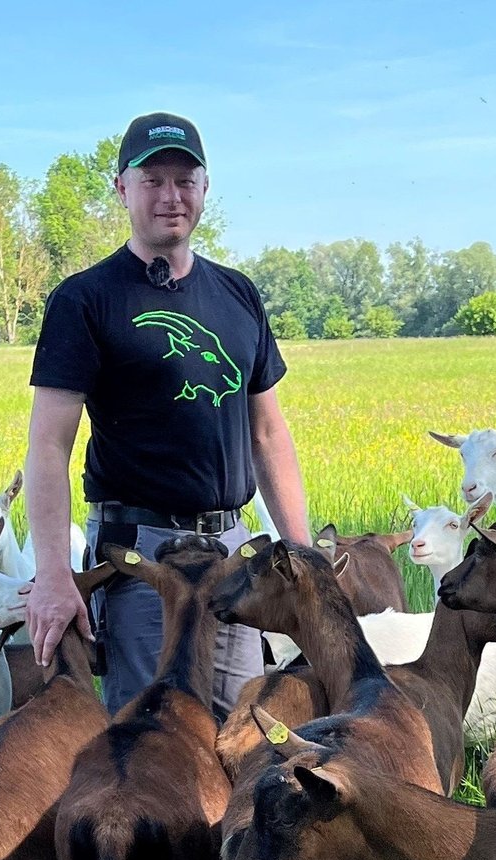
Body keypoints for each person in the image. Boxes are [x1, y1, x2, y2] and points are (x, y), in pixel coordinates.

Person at [23, 111, 308, 714]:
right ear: (121, 187)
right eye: (152, 179)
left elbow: (268, 432)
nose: (170, 196)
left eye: (185, 179)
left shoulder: (238, 294)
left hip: (235, 555)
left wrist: (301, 552)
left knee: (242, 736)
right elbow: (49, 446)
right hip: (142, 564)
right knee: (153, 743)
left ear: (205, 189)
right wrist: (52, 574)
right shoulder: (86, 299)